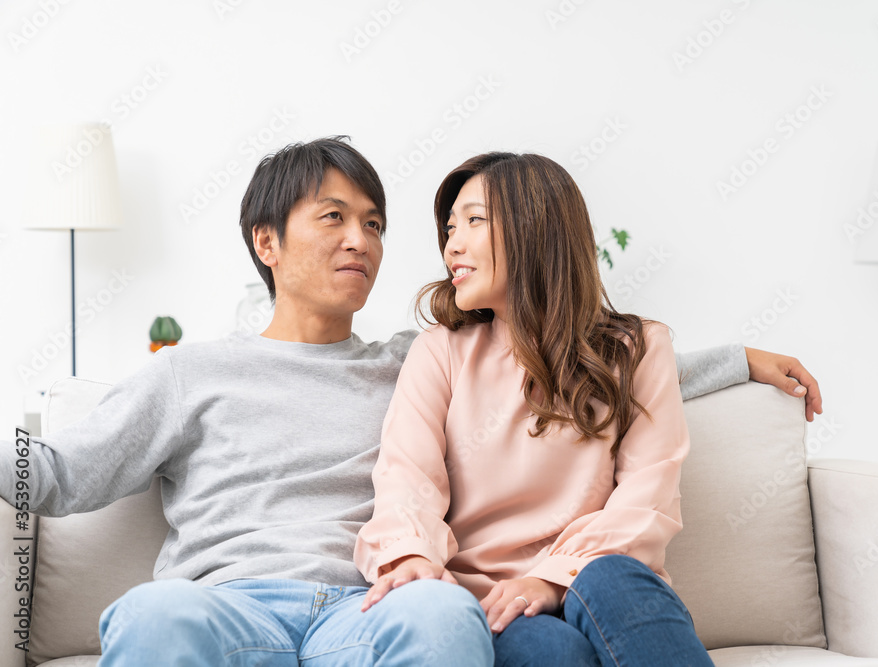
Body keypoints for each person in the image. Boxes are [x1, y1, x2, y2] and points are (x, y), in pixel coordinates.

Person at [1, 137, 817, 665]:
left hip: (368, 609)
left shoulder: (413, 359)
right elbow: (61, 472)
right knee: (150, 614)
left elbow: (570, 360)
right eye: (334, 217)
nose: (362, 240)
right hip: (228, 602)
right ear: (266, 242)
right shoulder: (190, 373)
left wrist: (738, 360)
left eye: (375, 223)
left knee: (444, 615)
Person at [354, 152, 805, 665]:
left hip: (600, 582)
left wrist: (553, 577)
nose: (452, 244)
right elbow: (406, 479)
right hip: (492, 602)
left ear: (535, 229)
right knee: (553, 649)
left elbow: (646, 501)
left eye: (474, 220)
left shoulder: (638, 349)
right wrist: (411, 557)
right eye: (450, 227)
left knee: (611, 577)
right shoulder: (440, 352)